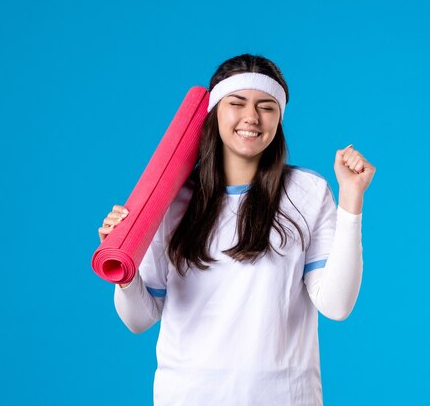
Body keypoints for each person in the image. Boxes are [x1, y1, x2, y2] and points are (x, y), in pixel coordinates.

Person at [97, 53, 376, 406]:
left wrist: (351, 199)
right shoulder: (170, 199)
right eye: (237, 103)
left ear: (279, 119)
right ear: (215, 112)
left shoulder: (307, 192)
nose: (251, 117)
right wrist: (125, 271)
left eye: (267, 107)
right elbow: (138, 319)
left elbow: (337, 305)